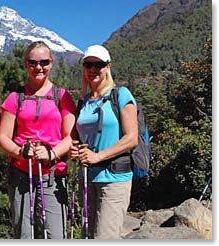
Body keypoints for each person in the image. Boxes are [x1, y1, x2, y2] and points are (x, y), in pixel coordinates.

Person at [0, 41, 76, 239]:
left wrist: (52, 153)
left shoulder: (62, 96)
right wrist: (20, 151)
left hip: (54, 175)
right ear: (26, 64)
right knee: (24, 233)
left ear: (51, 63)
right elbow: (3, 137)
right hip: (22, 173)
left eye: (44, 62)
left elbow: (71, 135)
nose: (38, 67)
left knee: (56, 234)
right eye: (33, 62)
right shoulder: (16, 97)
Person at [69, 44, 138, 239]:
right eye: (88, 64)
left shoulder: (121, 95)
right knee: (88, 235)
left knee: (104, 237)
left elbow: (131, 138)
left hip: (114, 179)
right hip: (88, 179)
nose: (93, 70)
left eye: (98, 64)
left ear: (107, 67)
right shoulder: (84, 101)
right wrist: (74, 150)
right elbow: (78, 136)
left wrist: (98, 156)